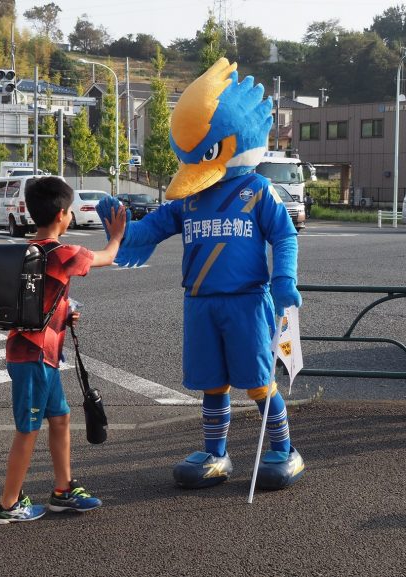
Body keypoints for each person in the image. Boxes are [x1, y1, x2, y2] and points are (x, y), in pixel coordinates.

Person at [96, 58, 305, 491]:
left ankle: (284, 449)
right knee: (213, 384)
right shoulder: (188, 200)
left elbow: (284, 235)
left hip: (247, 301)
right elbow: (147, 232)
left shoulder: (256, 190)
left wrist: (284, 279)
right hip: (200, 302)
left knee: (258, 382)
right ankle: (215, 453)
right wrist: (118, 227)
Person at [0, 177, 126, 525]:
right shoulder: (63, 253)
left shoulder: (28, 250)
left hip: (40, 355)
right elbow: (108, 256)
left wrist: (64, 312)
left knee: (61, 417)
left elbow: (36, 300)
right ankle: (8, 504)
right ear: (62, 215)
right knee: (28, 429)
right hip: (34, 357)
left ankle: (63, 490)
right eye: (69, 212)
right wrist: (116, 235)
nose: (70, 217)